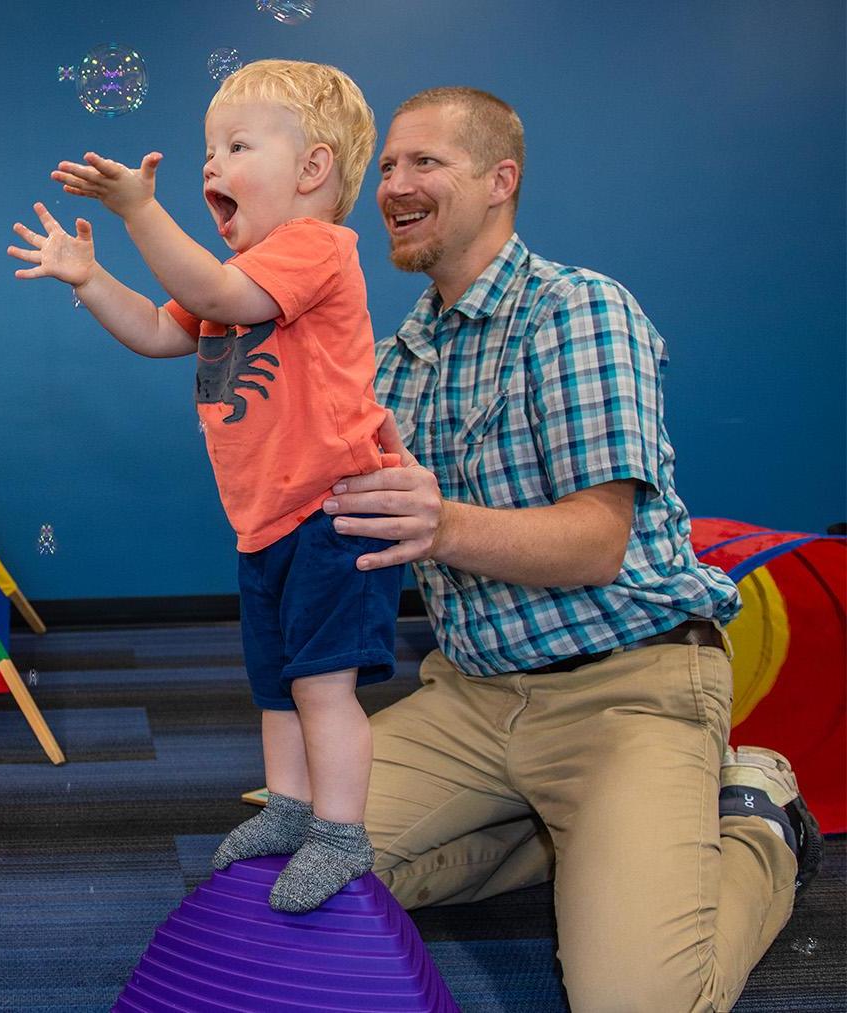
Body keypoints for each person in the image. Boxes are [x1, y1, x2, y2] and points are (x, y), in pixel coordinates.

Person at [325, 87, 823, 1009]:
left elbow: (599, 542)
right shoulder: (393, 363)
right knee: (279, 877)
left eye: (423, 162)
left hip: (629, 688)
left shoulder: (578, 311)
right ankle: (566, 835)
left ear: (499, 180)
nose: (392, 183)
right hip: (472, 700)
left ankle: (759, 822)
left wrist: (442, 523)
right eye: (388, 166)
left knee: (637, 1000)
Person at [9, 59, 399, 912]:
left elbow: (210, 286)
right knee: (273, 681)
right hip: (265, 521)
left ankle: (341, 830)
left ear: (312, 169)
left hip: (337, 513)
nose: (210, 165)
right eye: (207, 149)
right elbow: (157, 328)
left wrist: (141, 211)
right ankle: (290, 805)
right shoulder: (243, 272)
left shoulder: (314, 249)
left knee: (321, 684)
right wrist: (91, 278)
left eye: (235, 145)